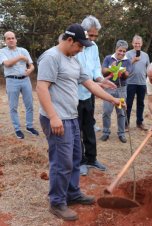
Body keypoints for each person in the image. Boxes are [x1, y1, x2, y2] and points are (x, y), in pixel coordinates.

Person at [36, 24, 123, 221]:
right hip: (57, 119)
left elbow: (90, 83)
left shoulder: (74, 59)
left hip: (71, 117)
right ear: (68, 41)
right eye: (79, 45)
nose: (82, 49)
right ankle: (57, 202)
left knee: (75, 157)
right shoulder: (51, 57)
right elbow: (41, 88)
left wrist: (112, 99)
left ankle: (72, 193)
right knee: (61, 162)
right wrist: (53, 117)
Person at [76, 15, 116, 176]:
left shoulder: (94, 47)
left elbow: (95, 69)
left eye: (95, 36)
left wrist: (101, 80)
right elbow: (77, 73)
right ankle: (79, 161)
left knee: (89, 126)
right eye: (90, 35)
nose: (92, 39)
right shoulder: (75, 46)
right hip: (75, 94)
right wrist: (96, 83)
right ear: (83, 31)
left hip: (89, 92)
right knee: (76, 129)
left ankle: (91, 158)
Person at [0, 31, 39, 139]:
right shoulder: (2, 51)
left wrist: (30, 70)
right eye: (8, 38)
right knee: (13, 107)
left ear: (16, 39)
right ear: (5, 41)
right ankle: (17, 129)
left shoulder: (23, 50)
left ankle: (29, 126)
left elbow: (31, 65)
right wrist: (21, 58)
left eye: (13, 38)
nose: (11, 40)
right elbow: (7, 64)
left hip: (25, 80)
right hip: (12, 81)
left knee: (29, 105)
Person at [100, 40, 132, 143]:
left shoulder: (127, 61)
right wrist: (112, 68)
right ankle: (105, 132)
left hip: (121, 89)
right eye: (120, 50)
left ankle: (121, 134)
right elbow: (103, 71)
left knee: (121, 112)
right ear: (116, 49)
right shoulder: (108, 58)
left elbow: (127, 74)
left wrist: (121, 72)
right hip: (109, 88)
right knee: (106, 111)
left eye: (124, 51)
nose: (122, 53)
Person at [125, 35, 150, 130]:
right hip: (130, 82)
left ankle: (139, 122)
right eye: (135, 43)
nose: (137, 45)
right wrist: (133, 60)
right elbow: (124, 67)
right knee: (129, 103)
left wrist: (149, 81)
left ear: (142, 44)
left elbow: (148, 69)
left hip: (142, 83)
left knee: (140, 103)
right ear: (132, 43)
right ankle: (126, 123)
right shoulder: (127, 54)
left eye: (139, 43)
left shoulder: (146, 55)